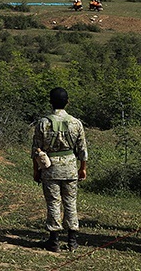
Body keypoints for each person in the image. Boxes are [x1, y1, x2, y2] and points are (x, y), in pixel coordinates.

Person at [32, 87, 88, 252]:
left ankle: (54, 240)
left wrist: (36, 170)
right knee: (70, 202)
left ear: (51, 102)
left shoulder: (43, 123)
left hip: (50, 168)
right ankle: (72, 241)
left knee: (53, 202)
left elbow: (36, 150)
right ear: (67, 102)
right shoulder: (76, 123)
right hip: (70, 167)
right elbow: (82, 150)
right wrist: (82, 169)